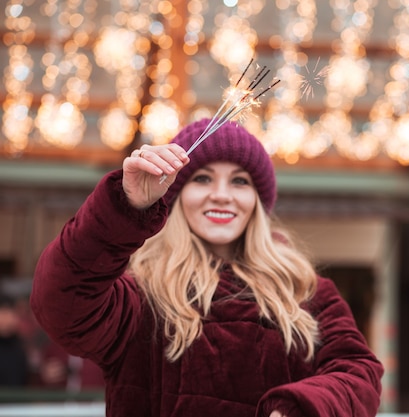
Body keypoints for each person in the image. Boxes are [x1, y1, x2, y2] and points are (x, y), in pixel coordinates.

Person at [30, 118, 384, 416]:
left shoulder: (308, 291)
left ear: (257, 202)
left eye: (240, 181)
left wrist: (302, 408)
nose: (222, 194)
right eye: (202, 178)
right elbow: (59, 302)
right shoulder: (137, 296)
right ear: (175, 194)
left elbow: (358, 371)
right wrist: (124, 208)